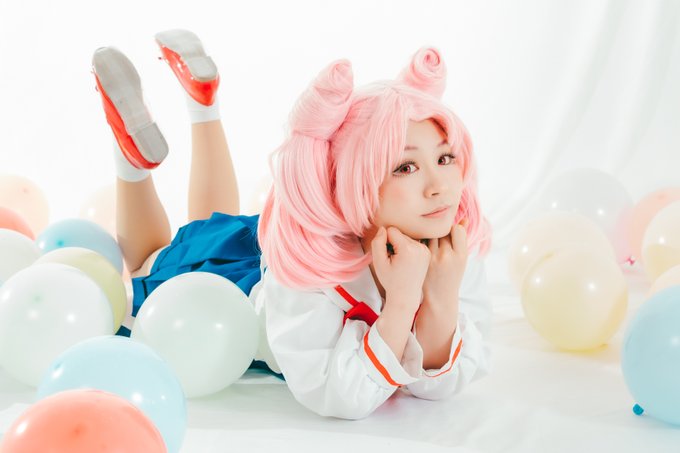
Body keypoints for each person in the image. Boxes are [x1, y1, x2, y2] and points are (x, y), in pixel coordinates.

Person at [91, 29, 493, 420]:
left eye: (445, 158)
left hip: (273, 247)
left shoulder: (451, 242)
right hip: (233, 291)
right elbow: (337, 396)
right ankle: (133, 158)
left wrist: (441, 295)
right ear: (354, 179)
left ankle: (203, 104)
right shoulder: (309, 276)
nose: (440, 187)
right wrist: (402, 301)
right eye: (406, 167)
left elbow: (440, 385)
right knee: (149, 262)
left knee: (208, 222)